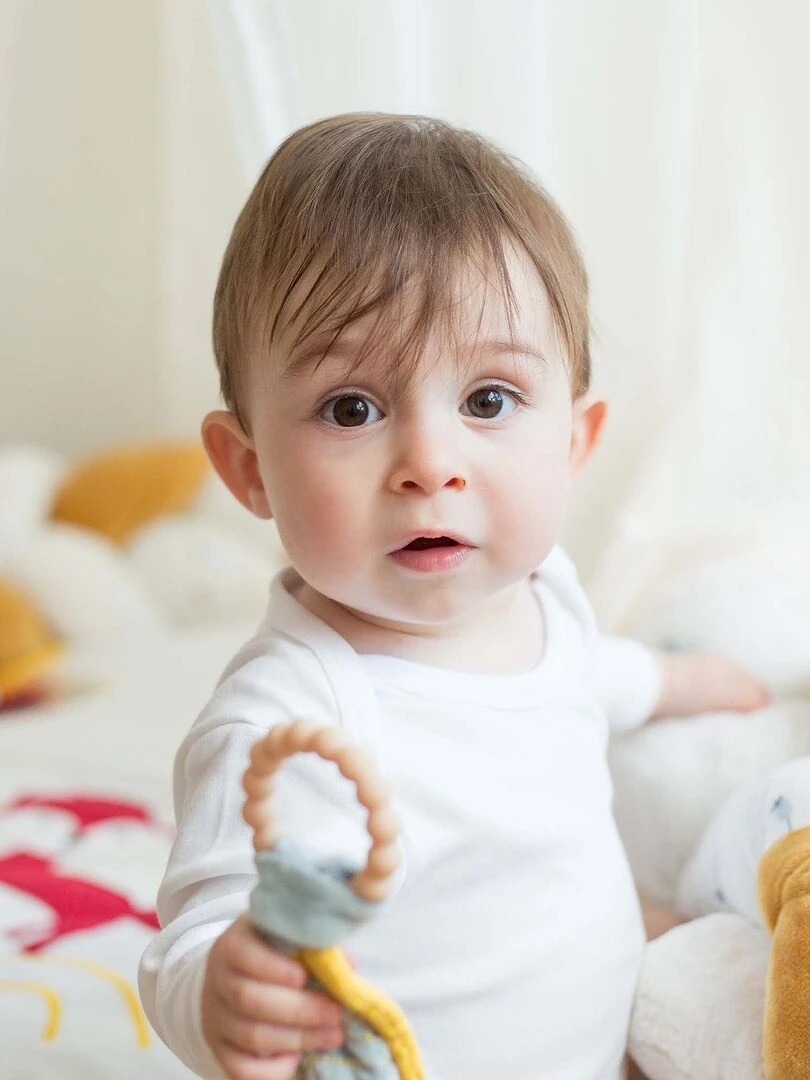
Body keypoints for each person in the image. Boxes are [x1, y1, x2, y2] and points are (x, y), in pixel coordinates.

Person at [139, 113, 769, 1080]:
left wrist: (683, 681)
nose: (431, 465)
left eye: (487, 400)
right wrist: (220, 991)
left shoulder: (544, 593)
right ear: (248, 467)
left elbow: (584, 679)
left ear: (573, 441)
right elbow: (195, 931)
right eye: (353, 408)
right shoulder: (292, 716)